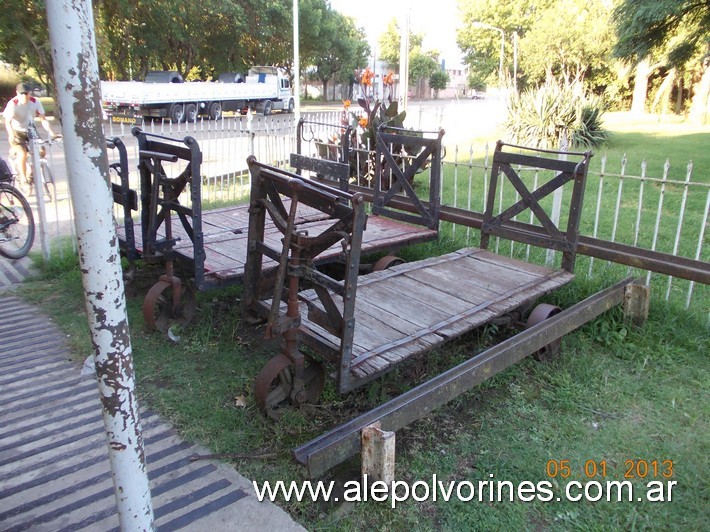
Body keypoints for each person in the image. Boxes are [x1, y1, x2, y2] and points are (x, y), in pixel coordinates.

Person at [3, 82, 56, 187]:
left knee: (41, 150)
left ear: (29, 93)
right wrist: (11, 135)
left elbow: (43, 119)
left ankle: (31, 170)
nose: (24, 96)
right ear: (17, 93)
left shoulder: (35, 102)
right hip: (16, 131)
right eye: (22, 94)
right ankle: (23, 178)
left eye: (26, 93)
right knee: (22, 154)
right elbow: (7, 122)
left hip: (30, 129)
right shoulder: (13, 104)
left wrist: (51, 132)